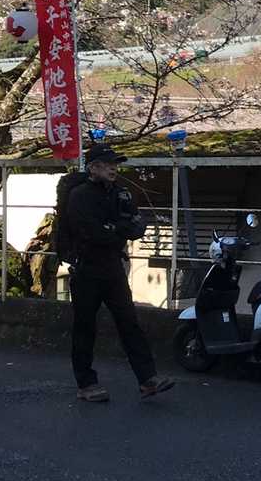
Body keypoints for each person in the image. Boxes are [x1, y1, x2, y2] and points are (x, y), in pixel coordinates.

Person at [62, 142, 176, 402]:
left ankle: (148, 378)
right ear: (93, 168)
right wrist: (118, 229)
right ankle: (86, 383)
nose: (113, 168)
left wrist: (115, 228)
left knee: (129, 322)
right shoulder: (79, 195)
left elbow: (137, 224)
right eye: (107, 164)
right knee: (85, 326)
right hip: (86, 268)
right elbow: (92, 232)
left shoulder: (121, 193)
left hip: (113, 267)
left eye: (115, 164)